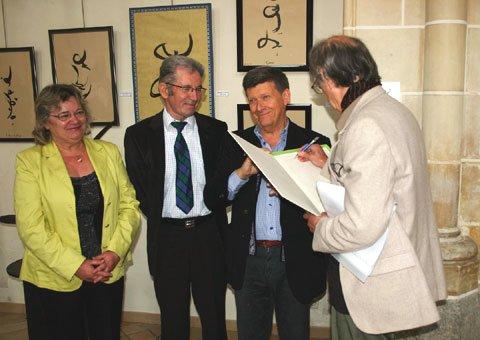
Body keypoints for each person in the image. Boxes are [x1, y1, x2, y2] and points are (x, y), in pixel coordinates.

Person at [300, 35, 447, 339]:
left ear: (335, 77)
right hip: (395, 270)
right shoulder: (394, 111)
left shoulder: (366, 125)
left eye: (320, 83)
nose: (324, 92)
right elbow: (380, 180)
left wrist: (320, 227)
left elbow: (361, 226)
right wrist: (327, 163)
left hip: (369, 277)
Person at [14, 84, 140, 340]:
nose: (74, 120)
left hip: (106, 272)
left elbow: (129, 206)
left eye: (79, 112)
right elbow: (31, 228)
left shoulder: (108, 152)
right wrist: (76, 265)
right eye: (64, 115)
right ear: (45, 122)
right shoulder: (30, 162)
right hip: (54, 277)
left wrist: (115, 252)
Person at [124, 55, 229, 340]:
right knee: (173, 320)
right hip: (167, 237)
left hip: (209, 235)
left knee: (214, 318)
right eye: (186, 88)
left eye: (198, 89)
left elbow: (223, 186)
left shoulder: (216, 132)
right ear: (164, 89)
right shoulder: (138, 136)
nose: (194, 97)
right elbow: (141, 191)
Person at [226, 66, 330, 340]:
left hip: (294, 258)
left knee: (295, 334)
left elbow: (331, 201)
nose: (258, 107)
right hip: (249, 260)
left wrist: (297, 184)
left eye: (265, 97)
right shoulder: (236, 143)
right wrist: (241, 175)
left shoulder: (314, 144)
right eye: (252, 100)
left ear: (285, 97)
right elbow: (216, 196)